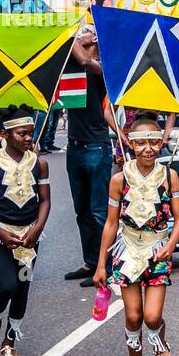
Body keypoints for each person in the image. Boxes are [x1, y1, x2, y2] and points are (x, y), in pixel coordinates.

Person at [93, 116, 179, 356]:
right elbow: (111, 223)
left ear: (162, 143)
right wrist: (101, 264)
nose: (148, 148)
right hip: (128, 251)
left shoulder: (169, 176)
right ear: (130, 145)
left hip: (158, 251)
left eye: (154, 142)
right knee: (133, 317)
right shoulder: (119, 180)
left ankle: (160, 345)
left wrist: (170, 245)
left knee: (152, 316)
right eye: (141, 143)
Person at [0, 107, 50, 356]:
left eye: (30, 133)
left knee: (22, 289)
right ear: (4, 134)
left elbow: (45, 200)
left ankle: (9, 343)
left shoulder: (39, 163)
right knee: (7, 285)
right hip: (2, 238)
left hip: (31, 239)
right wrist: (1, 233)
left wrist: (36, 229)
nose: (29, 138)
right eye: (22, 134)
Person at [63, 26, 121, 289]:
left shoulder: (103, 65)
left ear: (95, 38)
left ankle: (105, 267)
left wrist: (73, 34)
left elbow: (86, 60)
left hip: (96, 148)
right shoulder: (71, 64)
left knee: (99, 212)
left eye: (84, 31)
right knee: (82, 211)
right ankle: (89, 261)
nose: (79, 33)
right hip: (74, 146)